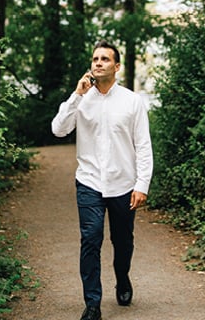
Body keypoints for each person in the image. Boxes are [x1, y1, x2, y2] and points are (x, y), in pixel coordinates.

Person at [50, 41, 153, 320]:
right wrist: (76, 95)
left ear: (116, 66)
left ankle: (123, 277)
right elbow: (58, 130)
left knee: (123, 242)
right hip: (89, 182)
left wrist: (142, 184)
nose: (98, 63)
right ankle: (93, 303)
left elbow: (143, 146)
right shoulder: (82, 99)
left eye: (105, 59)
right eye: (95, 58)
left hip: (123, 184)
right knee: (91, 239)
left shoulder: (132, 101)